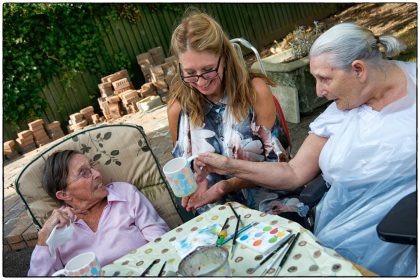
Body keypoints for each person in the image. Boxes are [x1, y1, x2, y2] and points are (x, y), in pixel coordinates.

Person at [196, 22, 416, 276]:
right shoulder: (339, 112)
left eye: (324, 78)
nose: (319, 91)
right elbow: (293, 173)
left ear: (358, 69)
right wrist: (228, 166)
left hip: (403, 242)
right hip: (338, 240)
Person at [167, 11, 296, 216]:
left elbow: (280, 164)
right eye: (190, 73)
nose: (200, 82)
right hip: (215, 209)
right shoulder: (178, 110)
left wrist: (223, 187)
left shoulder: (254, 91)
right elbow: (185, 168)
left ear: (225, 59)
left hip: (270, 198)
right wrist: (190, 187)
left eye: (208, 69)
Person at [28, 150, 170, 276]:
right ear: (64, 195)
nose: (97, 174)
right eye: (84, 173)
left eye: (92, 166)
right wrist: (43, 239)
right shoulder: (58, 231)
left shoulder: (124, 194)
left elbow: (160, 238)